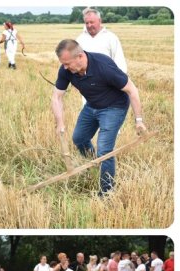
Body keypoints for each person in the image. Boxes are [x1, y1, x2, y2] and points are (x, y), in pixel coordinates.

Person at [51, 39, 146, 196]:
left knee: (104, 150)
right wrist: (60, 122)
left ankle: (107, 193)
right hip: (92, 105)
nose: (65, 67)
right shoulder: (66, 70)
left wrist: (139, 121)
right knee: (79, 139)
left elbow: (132, 90)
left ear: (80, 56)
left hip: (114, 107)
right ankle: (97, 165)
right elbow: (56, 97)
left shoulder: (104, 66)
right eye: (63, 64)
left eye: (68, 63)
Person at [76, 7, 127, 72]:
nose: (89, 25)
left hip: (108, 79)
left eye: (92, 22)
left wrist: (122, 79)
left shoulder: (111, 37)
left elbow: (119, 60)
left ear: (100, 21)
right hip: (86, 80)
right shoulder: (80, 39)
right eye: (87, 23)